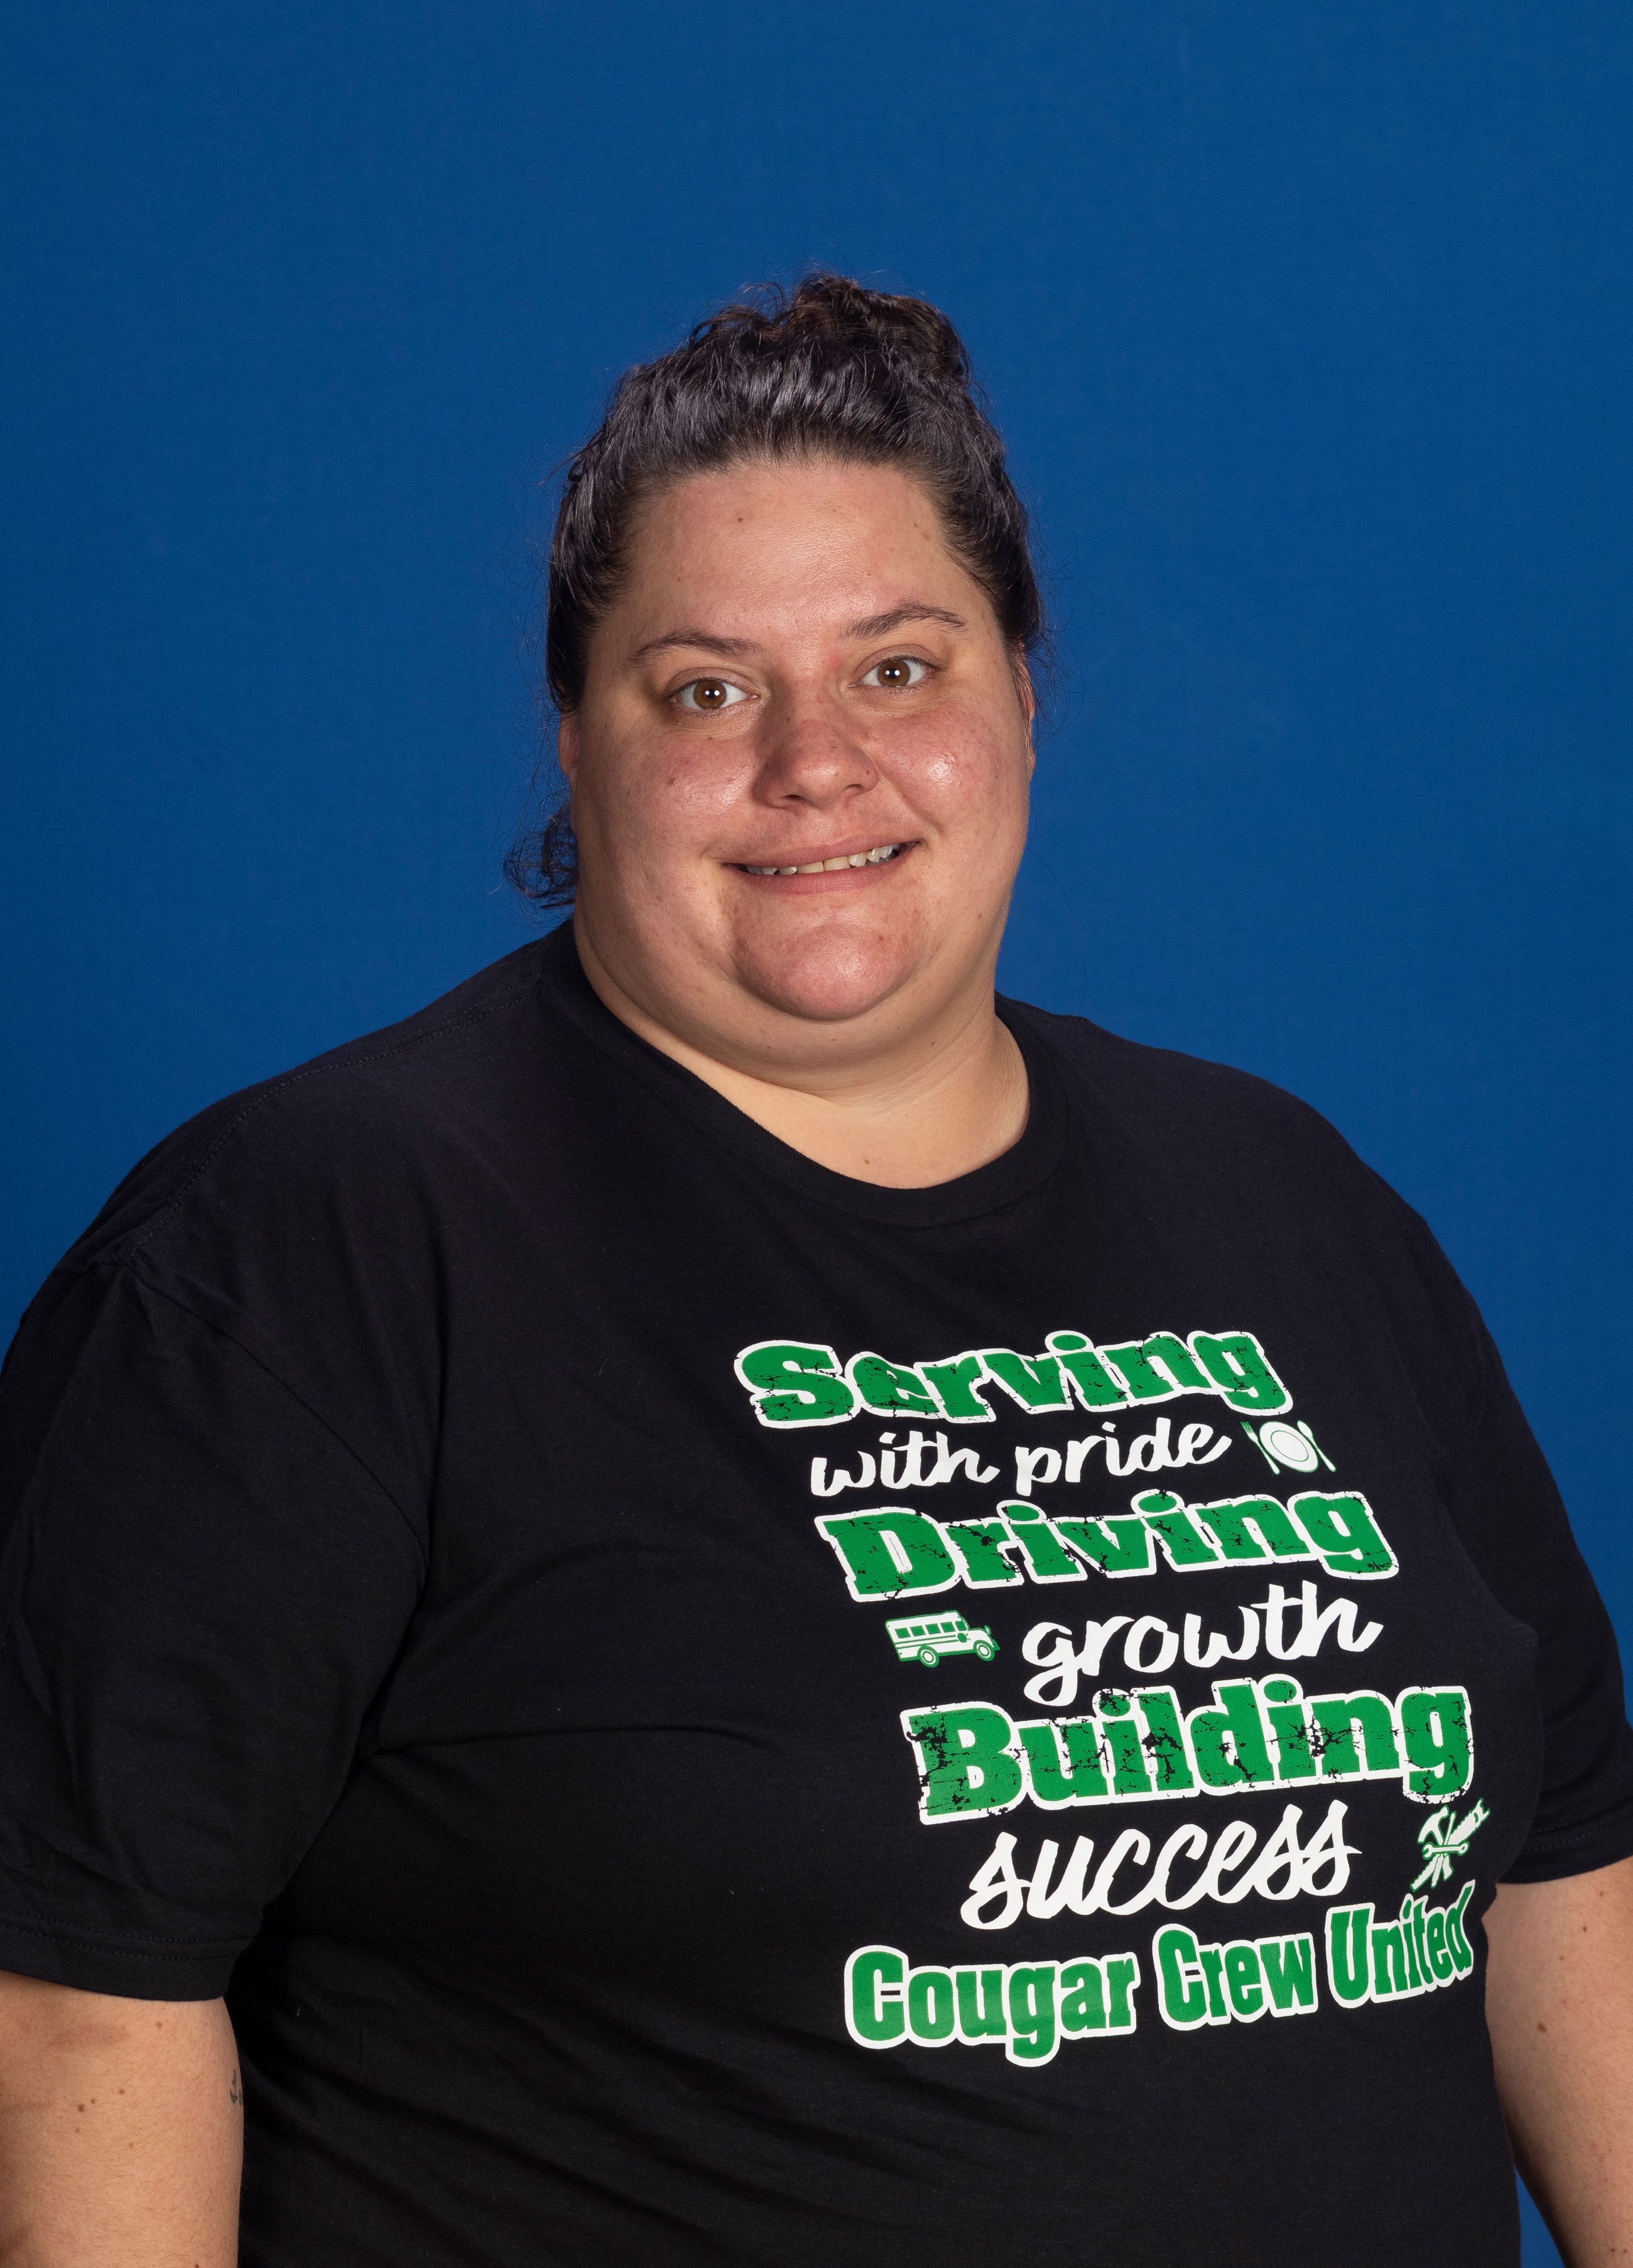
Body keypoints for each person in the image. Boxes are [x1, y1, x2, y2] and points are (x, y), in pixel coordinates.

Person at [0, 276, 1629, 2268]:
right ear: (578, 741)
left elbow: (1564, 1865)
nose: (814, 761)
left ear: (1022, 695)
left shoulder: (1290, 1199)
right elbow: (75, 2001)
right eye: (705, 689)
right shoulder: (304, 1250)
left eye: (898, 666)